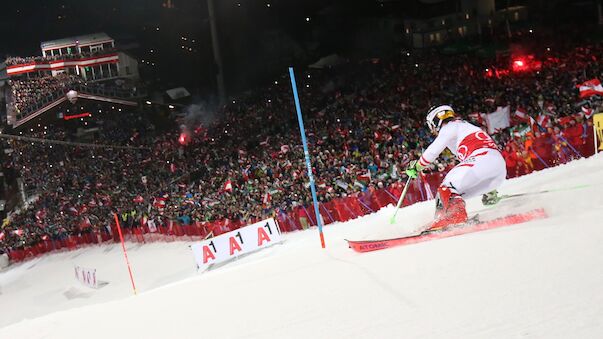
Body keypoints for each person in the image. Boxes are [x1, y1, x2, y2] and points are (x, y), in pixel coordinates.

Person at [405, 105, 507, 230]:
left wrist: (417, 166)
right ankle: (488, 195)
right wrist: (489, 189)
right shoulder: (466, 126)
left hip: (483, 157)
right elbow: (477, 168)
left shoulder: (450, 127)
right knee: (455, 192)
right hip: (496, 167)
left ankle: (453, 217)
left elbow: (433, 150)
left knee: (447, 187)